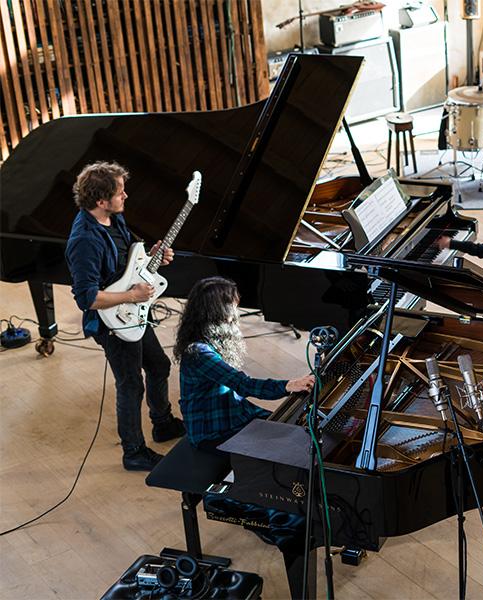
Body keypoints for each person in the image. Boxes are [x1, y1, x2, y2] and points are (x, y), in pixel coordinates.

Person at [66, 161, 185, 471]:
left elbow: (130, 256)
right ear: (101, 200)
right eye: (120, 192)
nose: (126, 196)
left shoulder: (113, 219)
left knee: (158, 365)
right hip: (111, 322)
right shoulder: (84, 241)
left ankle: (162, 424)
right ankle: (133, 452)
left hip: (133, 310)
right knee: (131, 384)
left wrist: (156, 254)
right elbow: (87, 298)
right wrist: (132, 296)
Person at [173, 277, 315, 452]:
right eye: (233, 307)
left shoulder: (210, 339)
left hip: (232, 414)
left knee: (296, 426)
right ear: (218, 311)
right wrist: (289, 385)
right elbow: (244, 385)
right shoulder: (199, 353)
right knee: (295, 443)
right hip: (213, 432)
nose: (236, 314)